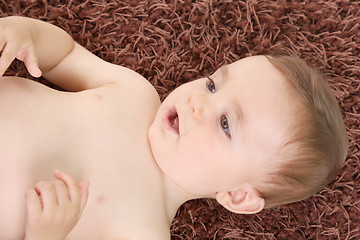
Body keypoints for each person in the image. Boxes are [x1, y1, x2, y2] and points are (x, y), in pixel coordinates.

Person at [0, 16, 348, 240]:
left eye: (225, 123)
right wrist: (24, 33)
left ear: (237, 196)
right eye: (213, 84)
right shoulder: (135, 94)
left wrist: (45, 235)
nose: (198, 101)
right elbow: (64, 56)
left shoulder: (141, 231)